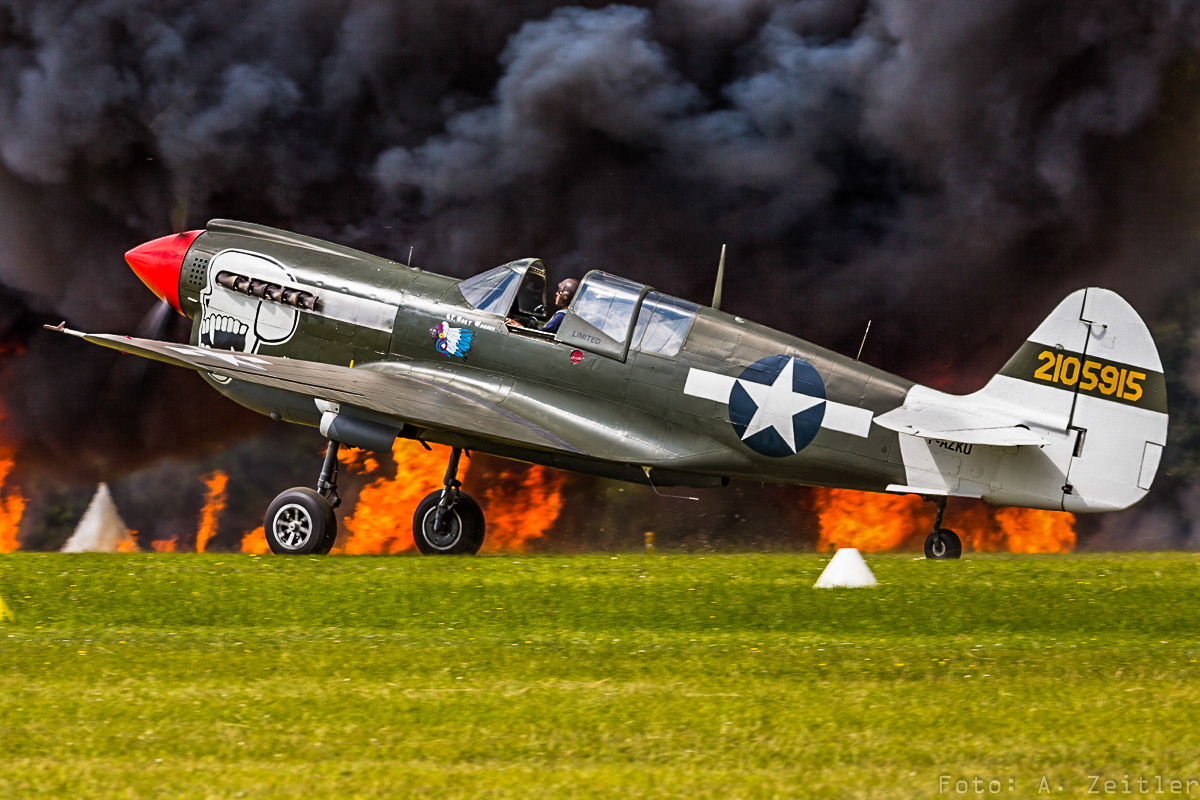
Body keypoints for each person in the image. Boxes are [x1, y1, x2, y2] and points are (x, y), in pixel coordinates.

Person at [508, 278, 578, 333]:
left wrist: (518, 326)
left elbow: (539, 336)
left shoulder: (561, 316)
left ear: (565, 296)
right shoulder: (572, 316)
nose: (556, 293)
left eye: (559, 291)